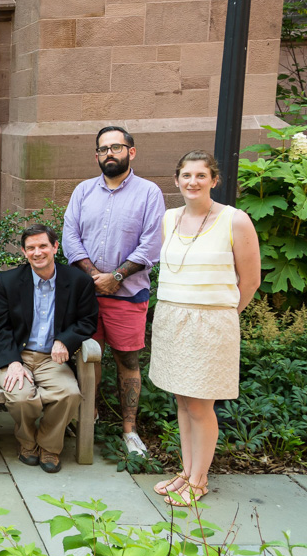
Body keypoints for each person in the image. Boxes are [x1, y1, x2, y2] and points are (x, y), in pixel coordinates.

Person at [149, 150, 259, 507]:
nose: (192, 182)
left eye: (200, 175)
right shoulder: (169, 218)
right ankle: (186, 471)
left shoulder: (235, 220)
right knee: (182, 400)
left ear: (214, 180)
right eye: (186, 175)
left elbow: (251, 280)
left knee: (200, 405)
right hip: (172, 318)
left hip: (211, 324)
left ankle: (199, 480)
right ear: (177, 180)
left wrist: (220, 317)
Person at [63, 126, 165, 455]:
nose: (110, 153)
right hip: (87, 295)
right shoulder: (83, 192)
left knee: (128, 359)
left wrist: (116, 277)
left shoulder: (149, 193)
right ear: (96, 155)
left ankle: (129, 430)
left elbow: (152, 243)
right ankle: (86, 416)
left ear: (131, 152)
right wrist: (95, 276)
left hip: (129, 295)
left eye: (116, 147)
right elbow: (70, 238)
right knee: (87, 359)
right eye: (103, 149)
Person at [0, 224, 98, 473]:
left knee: (69, 394)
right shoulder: (10, 281)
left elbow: (87, 321)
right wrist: (13, 361)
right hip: (16, 355)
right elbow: (0, 328)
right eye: (31, 248)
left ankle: (49, 447)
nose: (37, 252)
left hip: (51, 358)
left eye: (43, 246)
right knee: (21, 397)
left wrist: (65, 339)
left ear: (55, 247)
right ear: (23, 252)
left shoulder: (78, 281)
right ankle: (27, 443)